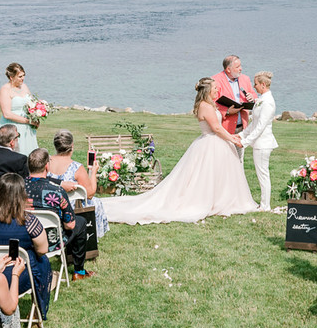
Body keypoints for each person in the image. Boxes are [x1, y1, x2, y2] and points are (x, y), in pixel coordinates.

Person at [100, 77, 260, 225]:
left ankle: (220, 200)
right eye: (215, 88)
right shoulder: (205, 106)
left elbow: (216, 122)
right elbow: (216, 127)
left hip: (214, 142)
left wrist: (227, 116)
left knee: (217, 175)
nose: (218, 91)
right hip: (211, 143)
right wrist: (232, 139)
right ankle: (210, 201)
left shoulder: (208, 104)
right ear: (207, 91)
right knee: (207, 175)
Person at [0, 174, 53, 320]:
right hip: (11, 276)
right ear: (21, 195)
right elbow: (43, 249)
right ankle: (38, 311)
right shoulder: (28, 221)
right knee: (41, 260)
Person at [25, 149, 89, 279]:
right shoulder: (56, 191)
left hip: (23, 237)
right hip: (50, 241)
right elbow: (70, 225)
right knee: (80, 222)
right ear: (47, 166)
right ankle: (79, 271)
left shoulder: (17, 186)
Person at [239, 71, 279, 207]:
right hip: (258, 143)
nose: (253, 86)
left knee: (263, 175)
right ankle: (264, 205)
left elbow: (260, 127)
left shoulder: (267, 102)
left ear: (263, 85)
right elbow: (253, 124)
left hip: (263, 144)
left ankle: (265, 206)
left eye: (255, 84)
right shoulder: (261, 99)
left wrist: (245, 142)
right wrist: (241, 135)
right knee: (261, 174)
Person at [0, 62, 40, 155]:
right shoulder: (5, 90)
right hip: (12, 127)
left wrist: (37, 115)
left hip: (27, 127)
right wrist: (27, 121)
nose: (23, 78)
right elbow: (7, 114)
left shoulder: (24, 86)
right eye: (20, 76)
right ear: (11, 77)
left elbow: (32, 104)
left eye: (23, 75)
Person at [210, 54, 254, 137]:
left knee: (240, 150)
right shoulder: (215, 80)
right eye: (237, 67)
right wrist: (226, 111)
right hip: (224, 128)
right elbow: (211, 103)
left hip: (242, 129)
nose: (241, 69)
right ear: (228, 69)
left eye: (240, 66)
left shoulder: (245, 79)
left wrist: (252, 97)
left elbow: (254, 96)